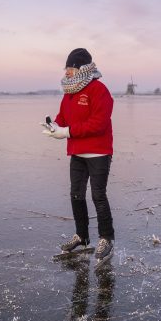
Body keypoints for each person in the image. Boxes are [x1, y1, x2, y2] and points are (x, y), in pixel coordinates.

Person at [42, 48, 115, 263]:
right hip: (77, 152)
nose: (67, 73)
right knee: (76, 194)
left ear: (82, 69)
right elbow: (62, 117)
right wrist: (55, 126)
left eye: (70, 69)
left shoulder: (99, 90)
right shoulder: (69, 93)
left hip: (99, 152)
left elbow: (99, 124)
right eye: (66, 69)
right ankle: (82, 237)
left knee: (98, 195)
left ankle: (107, 238)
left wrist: (69, 132)